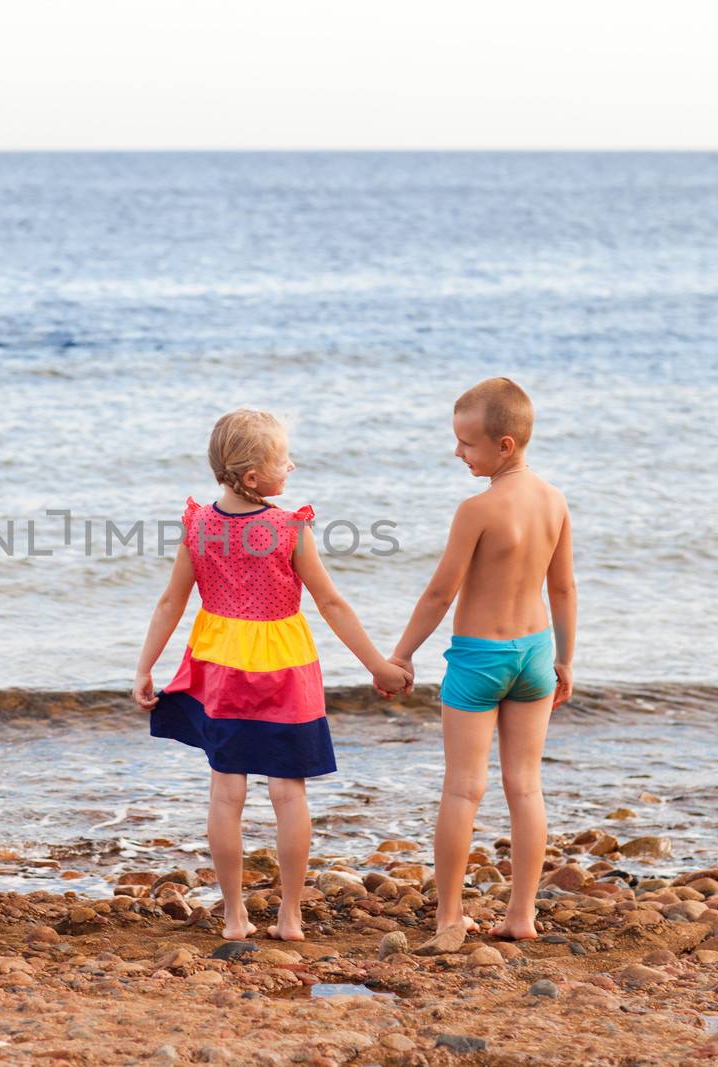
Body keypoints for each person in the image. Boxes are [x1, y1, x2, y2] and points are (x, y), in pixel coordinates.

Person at [133, 408, 409, 942]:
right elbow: (330, 602)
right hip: (283, 665)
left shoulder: (199, 523)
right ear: (256, 477)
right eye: (285, 460)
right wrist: (379, 665)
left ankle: (235, 915)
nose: (292, 466)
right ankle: (289, 915)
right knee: (288, 791)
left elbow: (172, 600)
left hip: (221, 665)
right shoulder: (288, 529)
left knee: (225, 792)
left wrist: (146, 666)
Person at [388, 377, 576, 948]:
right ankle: (521, 915)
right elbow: (563, 588)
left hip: (478, 660)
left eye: (467, 444)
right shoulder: (554, 500)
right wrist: (567, 659)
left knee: (462, 790)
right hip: (536, 653)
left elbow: (440, 593)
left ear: (505, 445)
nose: (457, 452)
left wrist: (401, 654)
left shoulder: (477, 509)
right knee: (526, 787)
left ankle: (449, 916)